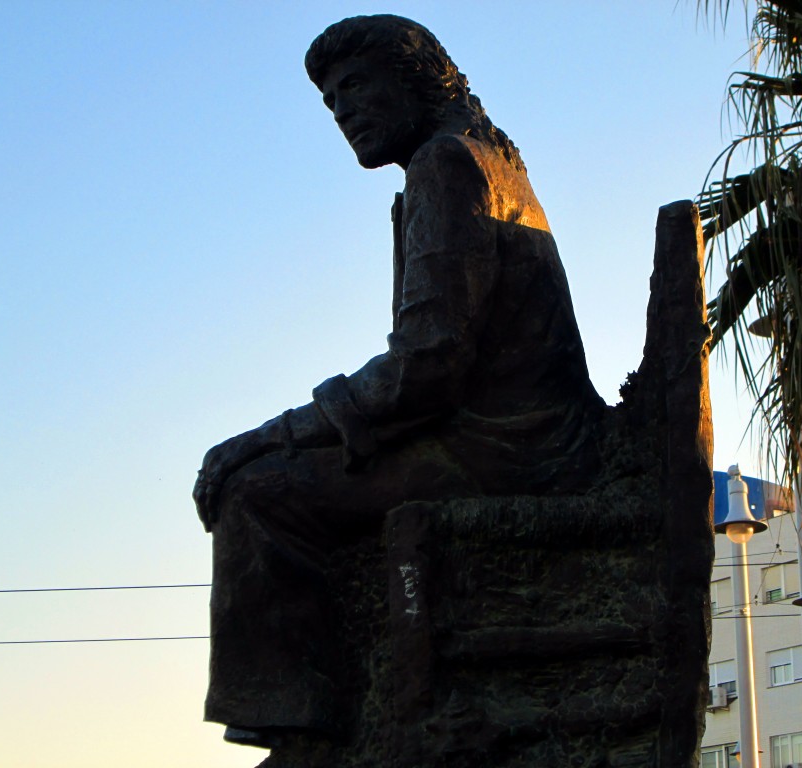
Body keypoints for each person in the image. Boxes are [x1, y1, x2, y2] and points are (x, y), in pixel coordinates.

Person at [193, 14, 605, 749]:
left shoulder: (447, 165)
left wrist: (264, 437)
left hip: (509, 447)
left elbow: (426, 367)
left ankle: (303, 736)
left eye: (354, 87)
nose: (343, 112)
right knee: (271, 476)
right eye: (329, 103)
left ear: (417, 77)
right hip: (523, 432)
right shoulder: (489, 156)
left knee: (256, 494)